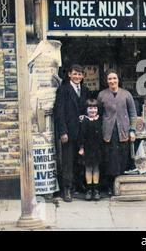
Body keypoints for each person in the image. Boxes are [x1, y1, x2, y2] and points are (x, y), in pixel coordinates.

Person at [97, 69, 137, 196]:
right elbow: (99, 113)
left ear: (118, 79)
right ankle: (109, 186)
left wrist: (132, 130)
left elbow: (133, 114)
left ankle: (121, 186)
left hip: (123, 131)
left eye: (114, 78)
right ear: (106, 81)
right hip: (108, 132)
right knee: (109, 159)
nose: (112, 81)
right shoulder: (102, 95)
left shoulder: (126, 94)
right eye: (109, 79)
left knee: (122, 158)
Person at [54, 64, 89, 202]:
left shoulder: (85, 90)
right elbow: (59, 112)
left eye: (80, 74)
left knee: (80, 160)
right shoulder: (63, 90)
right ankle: (67, 189)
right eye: (75, 74)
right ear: (69, 74)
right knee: (68, 161)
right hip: (68, 132)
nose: (77, 77)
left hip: (81, 132)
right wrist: (63, 132)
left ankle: (77, 186)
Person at [78, 99, 103, 201]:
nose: (93, 110)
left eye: (95, 108)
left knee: (96, 168)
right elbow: (81, 135)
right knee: (88, 168)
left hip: (97, 148)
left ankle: (96, 189)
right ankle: (89, 189)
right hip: (88, 148)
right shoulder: (84, 121)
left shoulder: (99, 120)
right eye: (90, 108)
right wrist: (81, 147)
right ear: (86, 109)